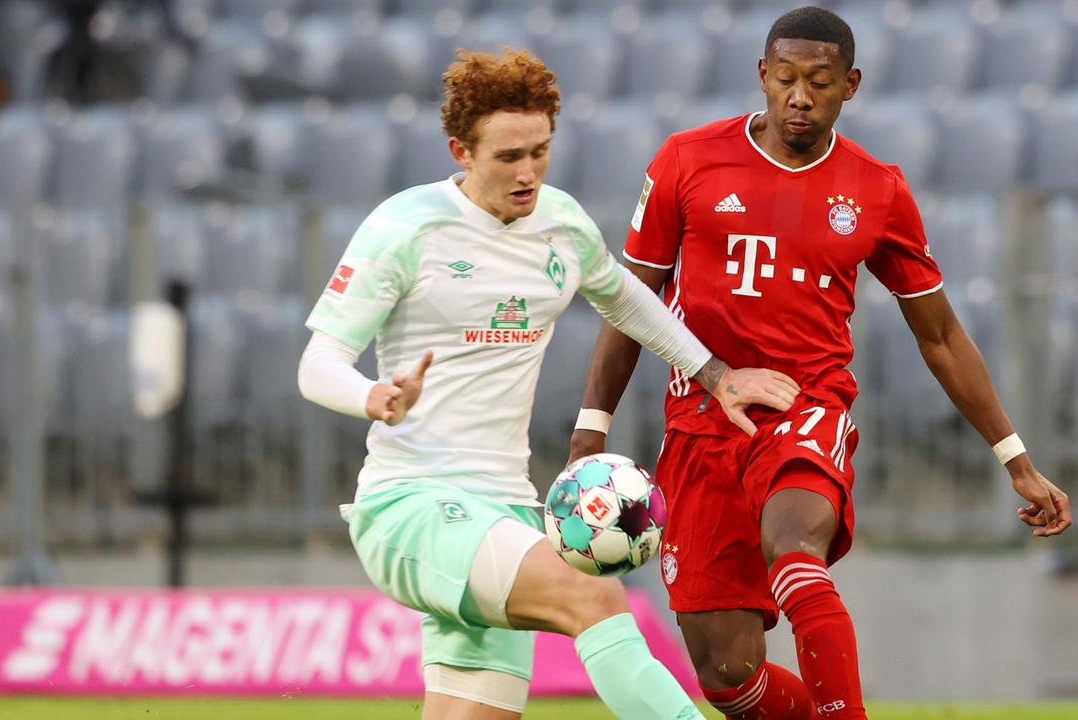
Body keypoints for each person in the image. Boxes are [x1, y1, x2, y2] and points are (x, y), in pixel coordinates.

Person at [567, 7, 1074, 720]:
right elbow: (631, 302)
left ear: (850, 85)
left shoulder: (877, 189)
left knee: (794, 546)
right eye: (785, 78)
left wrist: (1014, 456)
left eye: (819, 81)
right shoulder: (687, 159)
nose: (799, 96)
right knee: (728, 676)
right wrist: (589, 432)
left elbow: (939, 335)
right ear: (762, 75)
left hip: (804, 409)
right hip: (700, 424)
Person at [297, 48, 798, 720]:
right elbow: (317, 362)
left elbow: (625, 297)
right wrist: (373, 397)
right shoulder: (405, 229)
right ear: (461, 152)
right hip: (412, 506)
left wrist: (715, 375)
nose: (528, 172)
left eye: (540, 151)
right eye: (508, 157)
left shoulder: (560, 223)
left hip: (507, 511)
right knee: (593, 593)